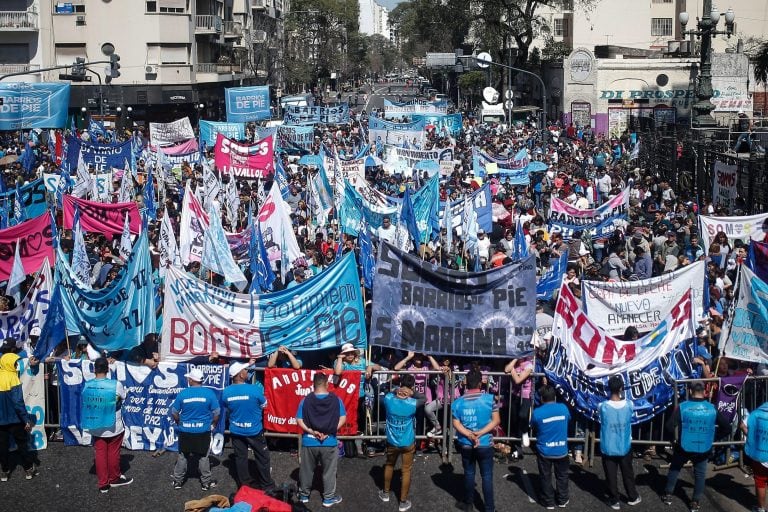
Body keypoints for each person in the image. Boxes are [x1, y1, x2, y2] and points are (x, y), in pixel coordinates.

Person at [661, 381, 730, 512]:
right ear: (704, 392)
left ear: (690, 392)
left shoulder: (683, 407)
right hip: (704, 446)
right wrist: (713, 438)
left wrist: (673, 441)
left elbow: (669, 426)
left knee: (675, 469)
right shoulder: (712, 408)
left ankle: (668, 494)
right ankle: (695, 502)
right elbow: (727, 427)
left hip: (683, 444)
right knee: (700, 475)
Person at [451, 368, 500, 512]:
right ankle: (489, 509)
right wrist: (480, 433)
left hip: (466, 443)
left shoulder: (458, 403)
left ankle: (468, 504)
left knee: (469, 473)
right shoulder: (490, 399)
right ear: (481, 383)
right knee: (487, 476)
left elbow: (456, 423)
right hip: (485, 443)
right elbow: (496, 420)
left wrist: (470, 435)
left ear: (466, 383)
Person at [81, 357, 133, 493]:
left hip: (95, 423)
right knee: (113, 452)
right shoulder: (116, 384)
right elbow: (123, 397)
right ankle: (114, 478)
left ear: (94, 370)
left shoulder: (87, 384)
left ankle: (103, 484)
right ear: (107, 369)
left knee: (100, 452)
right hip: (113, 424)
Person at [221, 361, 274, 490]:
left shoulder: (226, 392)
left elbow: (226, 407)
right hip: (254, 430)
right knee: (262, 457)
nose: (247, 372)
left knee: (241, 458)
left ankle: (245, 485)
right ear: (240, 375)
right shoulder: (254, 389)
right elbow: (264, 405)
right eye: (245, 370)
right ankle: (267, 484)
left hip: (236, 430)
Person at [296, 372, 345, 507]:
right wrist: (330, 431)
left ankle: (304, 496)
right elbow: (343, 418)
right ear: (327, 384)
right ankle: (328, 498)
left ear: (313, 385)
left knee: (306, 470)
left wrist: (311, 431)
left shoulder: (305, 400)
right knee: (329, 471)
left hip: (309, 441)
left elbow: (299, 420)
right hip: (329, 442)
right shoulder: (336, 400)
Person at [171, 367, 220, 491]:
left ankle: (177, 481)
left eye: (189, 378)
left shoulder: (183, 393)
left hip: (186, 431)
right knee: (203, 457)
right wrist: (213, 424)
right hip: (203, 431)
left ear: (192, 380)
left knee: (182, 456)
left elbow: (174, 412)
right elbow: (217, 412)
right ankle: (206, 483)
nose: (188, 379)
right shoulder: (209, 393)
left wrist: (179, 423)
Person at [599, 375, 640, 510]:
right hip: (624, 445)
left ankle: (614, 499)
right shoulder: (629, 404)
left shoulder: (602, 406)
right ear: (621, 388)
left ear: (609, 388)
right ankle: (632, 496)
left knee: (610, 474)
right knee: (627, 472)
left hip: (608, 445)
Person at [379, 373, 418, 512]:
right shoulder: (413, 403)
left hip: (392, 441)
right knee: (406, 470)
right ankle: (402, 502)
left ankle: (385, 493)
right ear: (412, 386)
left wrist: (397, 389)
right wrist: (411, 392)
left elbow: (383, 391)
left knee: (389, 465)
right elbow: (423, 398)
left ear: (401, 384)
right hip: (407, 442)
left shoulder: (389, 399)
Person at [531, 385, 571, 510]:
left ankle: (548, 501)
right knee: (562, 475)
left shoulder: (537, 413)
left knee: (545, 476)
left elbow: (533, 425)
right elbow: (568, 420)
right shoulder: (564, 408)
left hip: (545, 451)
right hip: (561, 450)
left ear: (542, 399)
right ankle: (562, 499)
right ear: (555, 397)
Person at [0, 352, 36, 482]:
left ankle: (4, 471)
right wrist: (26, 419)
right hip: (15, 419)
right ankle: (28, 470)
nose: (16, 365)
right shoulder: (13, 377)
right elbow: (18, 402)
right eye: (15, 363)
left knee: (2, 446)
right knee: (22, 444)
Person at [743, 400, 768, 512]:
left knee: (760, 481)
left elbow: (744, 426)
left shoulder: (758, 412)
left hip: (760, 454)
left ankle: (761, 509)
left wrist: (746, 431)